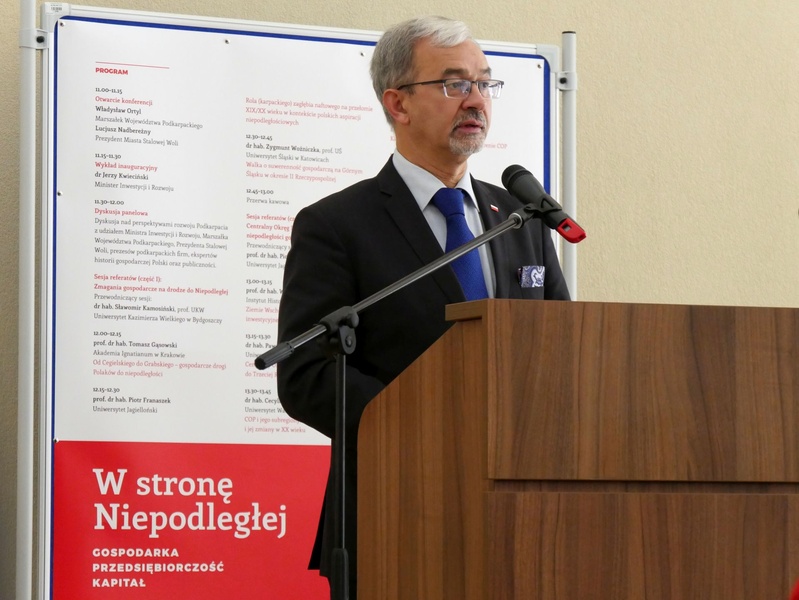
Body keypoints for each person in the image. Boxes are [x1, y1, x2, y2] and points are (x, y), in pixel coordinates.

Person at [276, 15, 570, 597]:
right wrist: (429, 425)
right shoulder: (337, 225)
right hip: (395, 511)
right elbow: (307, 376)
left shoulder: (520, 217)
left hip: (522, 517)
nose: (476, 100)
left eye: (484, 83)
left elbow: (562, 351)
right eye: (455, 83)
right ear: (399, 103)